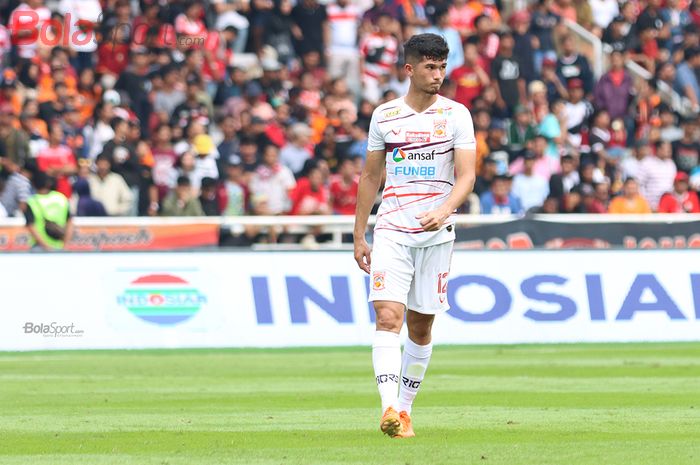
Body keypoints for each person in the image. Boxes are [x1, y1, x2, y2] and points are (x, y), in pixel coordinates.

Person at [353, 34, 476, 439]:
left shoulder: (456, 115)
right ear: (409, 69)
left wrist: (444, 210)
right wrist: (359, 234)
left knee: (421, 328)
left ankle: (405, 410)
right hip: (391, 230)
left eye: (442, 66)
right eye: (429, 67)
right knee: (388, 317)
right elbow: (371, 176)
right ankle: (388, 406)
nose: (438, 74)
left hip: (437, 236)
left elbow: (467, 176)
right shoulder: (385, 116)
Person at [24, 171, 74, 251]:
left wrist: (46, 247)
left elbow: (31, 226)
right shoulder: (61, 198)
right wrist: (66, 244)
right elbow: (70, 222)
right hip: (60, 246)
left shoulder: (32, 201)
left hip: (39, 248)